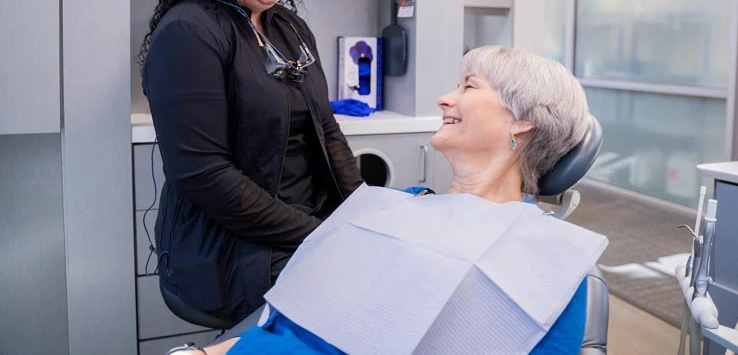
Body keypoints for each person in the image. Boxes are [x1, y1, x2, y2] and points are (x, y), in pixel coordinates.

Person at [173, 46, 597, 355]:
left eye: (468, 86)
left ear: (523, 120)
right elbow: (287, 310)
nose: (445, 98)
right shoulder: (390, 204)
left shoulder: (548, 261)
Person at [139, 0, 363, 324]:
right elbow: (205, 175)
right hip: (233, 253)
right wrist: (317, 236)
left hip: (303, 233)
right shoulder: (190, 32)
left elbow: (327, 130)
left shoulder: (290, 28)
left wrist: (362, 213)